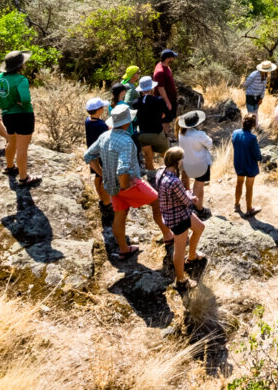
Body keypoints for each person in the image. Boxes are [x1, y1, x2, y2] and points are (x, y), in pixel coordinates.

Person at [83, 104, 174, 257]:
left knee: (120, 215)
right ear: (127, 122)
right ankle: (167, 235)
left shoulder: (104, 136)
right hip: (128, 185)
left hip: (111, 185)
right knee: (157, 201)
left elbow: (88, 156)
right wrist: (125, 185)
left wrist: (103, 173)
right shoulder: (126, 142)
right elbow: (123, 169)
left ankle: (124, 250)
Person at [0, 50, 39, 187]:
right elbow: (25, 99)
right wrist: (25, 107)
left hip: (7, 114)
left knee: (11, 141)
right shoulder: (21, 80)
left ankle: (9, 167)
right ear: (20, 65)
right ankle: (24, 178)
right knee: (22, 148)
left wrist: (2, 103)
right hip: (23, 116)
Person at [157, 147, 206, 292]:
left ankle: (192, 256)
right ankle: (181, 281)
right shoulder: (173, 181)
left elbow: (177, 196)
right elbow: (186, 201)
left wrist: (186, 195)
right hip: (178, 217)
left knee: (200, 227)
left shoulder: (161, 172)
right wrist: (193, 197)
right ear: (177, 161)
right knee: (179, 249)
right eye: (182, 159)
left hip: (174, 212)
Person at [176, 110, 213, 217]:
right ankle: (199, 208)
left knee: (195, 184)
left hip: (188, 164)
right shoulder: (199, 134)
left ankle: (190, 204)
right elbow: (210, 144)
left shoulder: (181, 133)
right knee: (199, 185)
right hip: (201, 164)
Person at [132, 77, 169, 171]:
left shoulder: (135, 103)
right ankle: (170, 174)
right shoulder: (159, 100)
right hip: (157, 133)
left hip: (143, 134)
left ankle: (151, 176)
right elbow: (164, 115)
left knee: (148, 157)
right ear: (152, 88)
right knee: (166, 155)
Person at [231, 114, 262, 217]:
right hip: (250, 164)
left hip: (239, 162)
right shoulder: (253, 138)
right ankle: (249, 209)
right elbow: (257, 154)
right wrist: (260, 158)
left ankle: (236, 204)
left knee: (239, 183)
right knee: (249, 187)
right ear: (253, 125)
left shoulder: (235, 133)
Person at [84, 98, 112, 206]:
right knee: (104, 176)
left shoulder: (88, 120)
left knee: (97, 175)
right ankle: (106, 202)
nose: (104, 109)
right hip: (102, 154)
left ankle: (101, 198)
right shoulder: (101, 125)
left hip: (93, 153)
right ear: (99, 110)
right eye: (102, 108)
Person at [152, 50, 179, 138]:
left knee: (168, 120)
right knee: (165, 121)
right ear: (167, 58)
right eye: (172, 57)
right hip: (164, 101)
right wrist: (167, 102)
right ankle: (164, 140)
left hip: (171, 99)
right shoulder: (160, 71)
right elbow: (160, 88)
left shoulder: (165, 66)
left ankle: (167, 137)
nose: (173, 58)